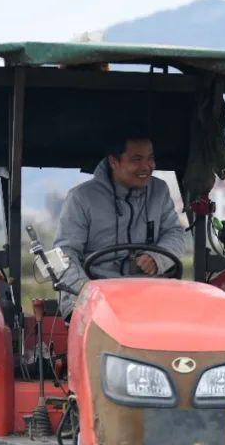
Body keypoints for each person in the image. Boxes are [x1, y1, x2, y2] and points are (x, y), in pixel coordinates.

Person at [55, 134, 189, 314]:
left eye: (150, 158)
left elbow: (175, 233)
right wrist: (86, 292)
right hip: (96, 298)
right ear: (113, 162)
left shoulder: (159, 190)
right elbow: (64, 253)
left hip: (148, 293)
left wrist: (158, 258)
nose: (147, 167)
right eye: (137, 159)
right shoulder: (81, 198)